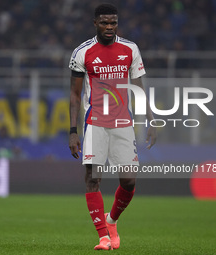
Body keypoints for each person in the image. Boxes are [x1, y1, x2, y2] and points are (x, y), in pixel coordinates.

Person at [68, 4, 157, 250]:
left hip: (122, 122)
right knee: (92, 178)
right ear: (95, 23)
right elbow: (75, 95)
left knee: (128, 181)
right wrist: (73, 131)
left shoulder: (130, 49)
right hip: (95, 122)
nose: (109, 27)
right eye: (105, 23)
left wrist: (151, 120)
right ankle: (103, 237)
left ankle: (112, 220)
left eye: (113, 23)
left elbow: (138, 88)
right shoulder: (82, 52)